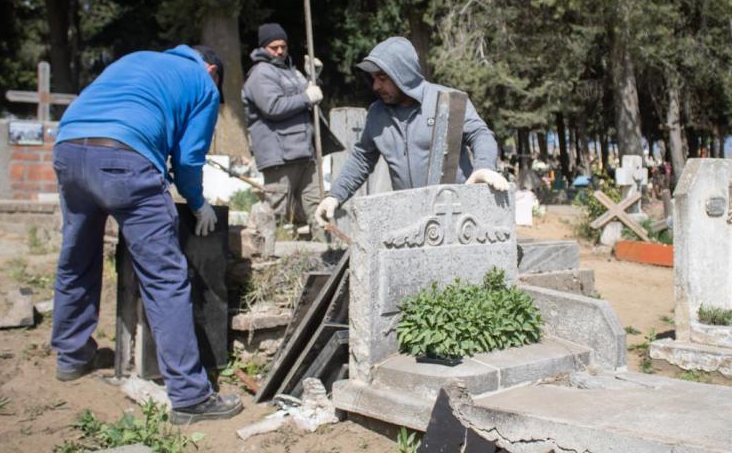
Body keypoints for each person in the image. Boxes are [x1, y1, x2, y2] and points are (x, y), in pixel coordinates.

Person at [52, 44, 242, 425]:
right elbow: (188, 158)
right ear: (212, 70)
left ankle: (72, 357)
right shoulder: (203, 84)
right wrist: (197, 201)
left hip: (69, 148)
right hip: (126, 160)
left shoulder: (135, 59)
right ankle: (190, 396)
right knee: (165, 277)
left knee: (78, 257)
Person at [314, 36, 508, 226]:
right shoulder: (376, 114)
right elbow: (362, 159)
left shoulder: (448, 101)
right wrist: (335, 195)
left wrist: (484, 166)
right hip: (411, 219)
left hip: (457, 214)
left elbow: (480, 134)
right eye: (373, 79)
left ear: (404, 74)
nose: (375, 86)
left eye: (382, 78)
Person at [241, 22, 328, 237]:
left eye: (283, 46)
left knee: (318, 208)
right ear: (263, 48)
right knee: (276, 213)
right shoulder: (260, 74)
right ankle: (267, 259)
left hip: (304, 152)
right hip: (279, 156)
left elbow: (305, 97)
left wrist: (312, 78)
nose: (280, 51)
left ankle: (328, 252)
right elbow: (273, 107)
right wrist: (306, 96)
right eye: (274, 47)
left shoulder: (290, 71)